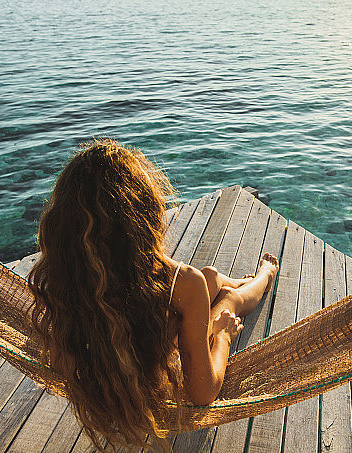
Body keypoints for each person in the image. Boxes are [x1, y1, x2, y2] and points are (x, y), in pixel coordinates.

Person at [27, 139, 279, 450]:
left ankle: (238, 279)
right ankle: (264, 276)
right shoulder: (181, 282)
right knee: (226, 300)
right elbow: (202, 393)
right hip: (152, 373)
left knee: (210, 278)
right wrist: (223, 335)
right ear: (142, 215)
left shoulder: (61, 280)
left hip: (136, 340)